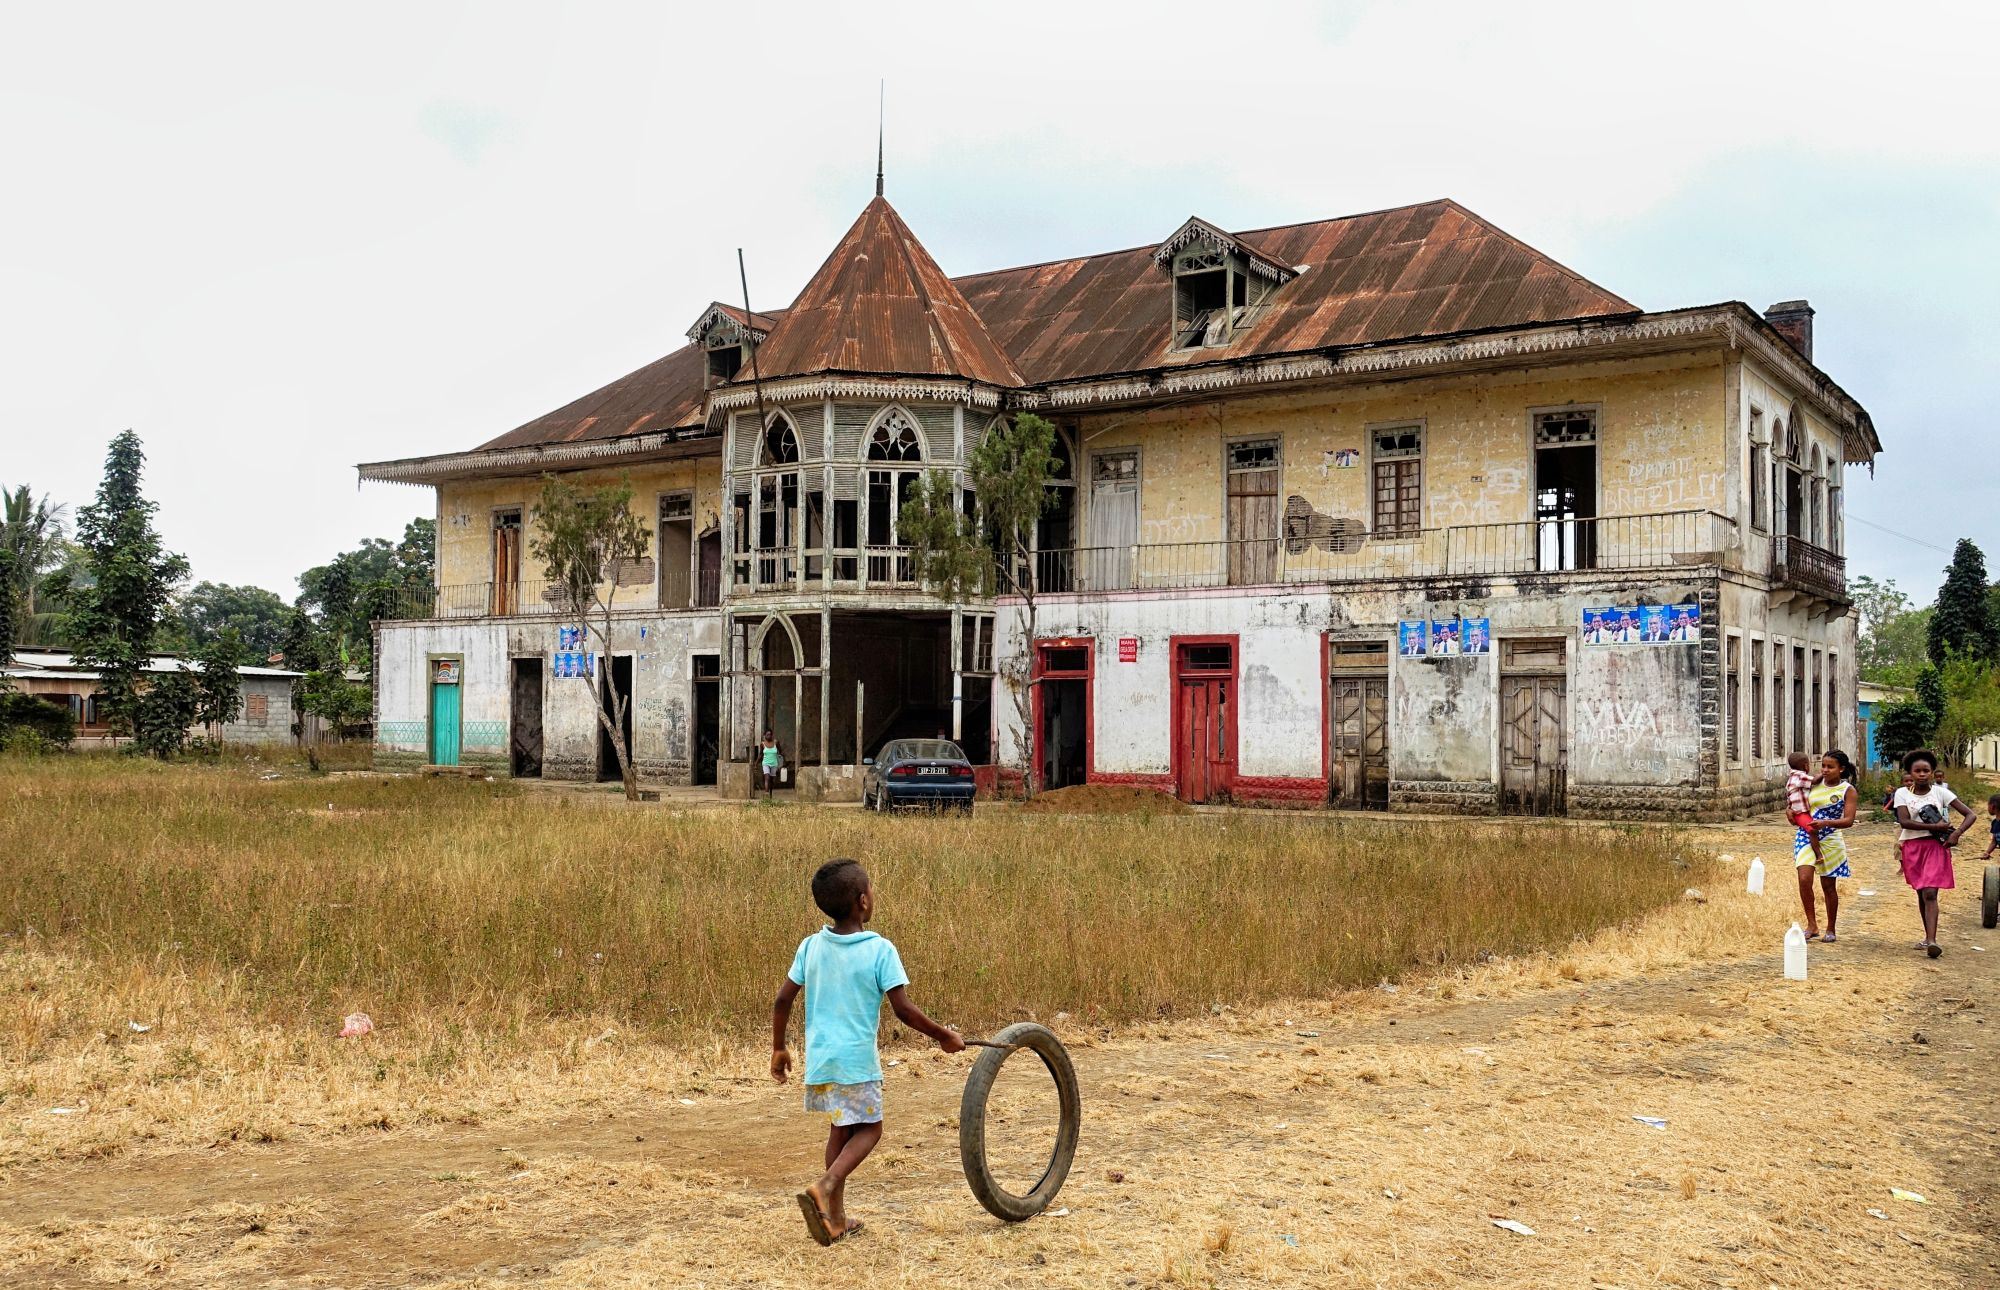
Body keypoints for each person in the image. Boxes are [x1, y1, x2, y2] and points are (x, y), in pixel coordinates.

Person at [771, 858, 964, 1246]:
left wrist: (779, 1048)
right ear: (862, 901)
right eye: (871, 888)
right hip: (856, 1062)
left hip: (822, 1060)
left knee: (841, 1130)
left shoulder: (810, 947)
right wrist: (943, 1035)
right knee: (871, 1129)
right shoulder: (879, 950)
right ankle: (825, 1186)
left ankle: (836, 1219)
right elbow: (903, 1010)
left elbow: (782, 999)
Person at [1890, 749, 1974, 958]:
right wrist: (1936, 827)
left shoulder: (1941, 792)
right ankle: (1928, 936)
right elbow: (1904, 821)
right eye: (1917, 770)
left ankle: (1933, 941)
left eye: (1925, 770)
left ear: (1932, 772)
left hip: (1936, 847)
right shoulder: (1902, 793)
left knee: (1930, 892)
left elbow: (1970, 814)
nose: (1921, 774)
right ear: (1910, 772)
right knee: (1921, 891)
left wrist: (1957, 833)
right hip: (1912, 846)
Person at [1793, 750, 1858, 942]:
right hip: (1806, 835)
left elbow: (1848, 821)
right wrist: (1792, 814)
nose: (1825, 770)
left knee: (1828, 886)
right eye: (1823, 766)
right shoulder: (1812, 784)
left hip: (1830, 839)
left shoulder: (1847, 790)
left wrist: (1826, 823)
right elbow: (1798, 803)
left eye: (1830, 767)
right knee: (1804, 878)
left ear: (1841, 769)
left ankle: (1831, 928)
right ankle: (1811, 925)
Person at [1784, 752, 1825, 879]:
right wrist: (1823, 774)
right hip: (1799, 812)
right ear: (1806, 766)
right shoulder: (1799, 776)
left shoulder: (1794, 777)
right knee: (1812, 829)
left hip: (1800, 811)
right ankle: (1818, 855)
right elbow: (1815, 780)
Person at [759, 729, 782, 798]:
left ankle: (770, 794)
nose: (769, 736)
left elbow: (780, 751)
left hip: (774, 764)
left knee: (772, 780)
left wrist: (782, 760)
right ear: (765, 736)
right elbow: (760, 754)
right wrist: (756, 763)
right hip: (765, 763)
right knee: (767, 778)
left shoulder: (776, 742)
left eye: (770, 735)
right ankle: (766, 794)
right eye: (767, 735)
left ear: (772, 735)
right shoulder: (762, 744)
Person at [1981, 793, 2000, 864]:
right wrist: (1987, 852)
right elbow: (1994, 841)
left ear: (1992, 806)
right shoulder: (1995, 823)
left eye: (1988, 805)